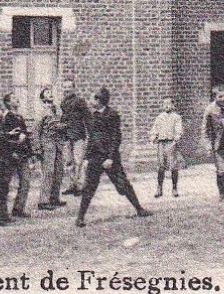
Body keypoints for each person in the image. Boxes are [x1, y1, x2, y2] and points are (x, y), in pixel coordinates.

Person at [75, 88, 151, 227]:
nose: (90, 101)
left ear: (99, 100)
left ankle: (139, 209)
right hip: (95, 158)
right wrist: (86, 158)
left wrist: (110, 158)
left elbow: (116, 137)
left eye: (92, 98)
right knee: (88, 188)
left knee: (123, 185)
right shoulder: (91, 116)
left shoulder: (112, 115)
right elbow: (91, 138)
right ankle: (80, 218)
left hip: (110, 157)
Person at [1, 93, 34, 219]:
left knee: (25, 181)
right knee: (6, 182)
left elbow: (26, 135)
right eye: (14, 98)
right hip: (12, 154)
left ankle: (19, 208)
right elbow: (3, 136)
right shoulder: (6, 117)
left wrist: (30, 154)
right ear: (9, 103)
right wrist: (12, 147)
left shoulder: (20, 116)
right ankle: (2, 212)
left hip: (23, 154)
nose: (17, 99)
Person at [34, 86, 66, 210]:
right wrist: (37, 147)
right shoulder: (41, 111)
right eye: (47, 93)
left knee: (59, 171)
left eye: (51, 92)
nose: (50, 94)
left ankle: (55, 198)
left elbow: (59, 124)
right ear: (42, 98)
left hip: (58, 143)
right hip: (47, 144)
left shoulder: (57, 110)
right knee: (48, 172)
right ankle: (43, 201)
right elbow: (37, 130)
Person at [58, 78, 90, 195]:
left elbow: (87, 118)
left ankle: (80, 187)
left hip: (78, 136)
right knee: (68, 162)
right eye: (65, 87)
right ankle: (72, 185)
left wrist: (90, 134)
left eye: (69, 87)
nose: (66, 89)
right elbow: (64, 119)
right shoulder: (63, 103)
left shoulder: (80, 101)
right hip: (66, 136)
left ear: (73, 88)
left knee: (79, 161)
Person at [148, 96, 184, 198]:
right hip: (161, 143)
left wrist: (177, 137)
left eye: (169, 104)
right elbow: (155, 129)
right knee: (160, 166)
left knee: (173, 166)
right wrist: (153, 137)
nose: (167, 106)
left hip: (171, 143)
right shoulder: (159, 117)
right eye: (164, 104)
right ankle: (159, 188)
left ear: (173, 105)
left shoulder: (176, 117)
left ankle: (174, 188)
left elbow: (179, 129)